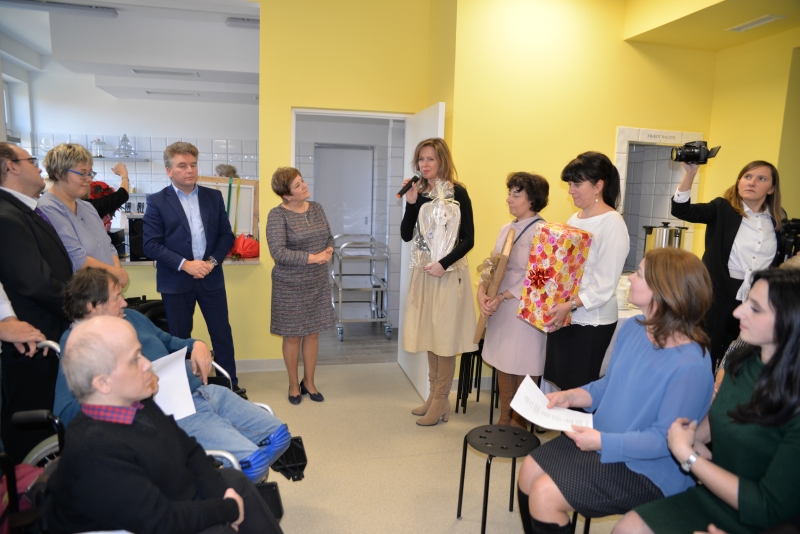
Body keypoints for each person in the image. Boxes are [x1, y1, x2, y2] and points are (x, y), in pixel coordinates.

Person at [517, 247, 715, 534]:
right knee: (528, 472)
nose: (631, 278)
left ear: (665, 291)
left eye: (639, 274)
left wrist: (602, 442)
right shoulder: (635, 327)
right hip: (604, 437)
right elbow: (609, 384)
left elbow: (664, 441)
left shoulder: (691, 364)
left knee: (544, 494)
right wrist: (571, 396)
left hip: (649, 467)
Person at [45, 315, 284, 534]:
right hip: (152, 522)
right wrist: (226, 510)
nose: (147, 363)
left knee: (237, 482)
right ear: (103, 383)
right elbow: (161, 521)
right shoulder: (96, 449)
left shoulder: (141, 404)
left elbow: (190, 450)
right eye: (134, 360)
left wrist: (222, 497)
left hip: (170, 499)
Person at [53, 268, 290, 481]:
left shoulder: (131, 318)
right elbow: (65, 411)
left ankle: (223, 480)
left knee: (279, 437)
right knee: (253, 464)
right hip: (173, 412)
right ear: (92, 307)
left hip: (200, 391)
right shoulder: (78, 344)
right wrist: (123, 392)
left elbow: (168, 341)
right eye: (117, 297)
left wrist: (196, 344)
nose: (124, 302)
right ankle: (219, 497)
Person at [617, 268, 800, 534]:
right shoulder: (742, 362)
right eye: (746, 301)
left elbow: (767, 506)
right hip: (719, 494)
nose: (738, 312)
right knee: (627, 528)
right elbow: (719, 419)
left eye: (755, 309)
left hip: (768, 521)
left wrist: (689, 456)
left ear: (790, 321)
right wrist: (688, 436)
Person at [143, 142, 241, 394]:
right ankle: (184, 390)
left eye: (193, 165)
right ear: (169, 171)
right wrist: (185, 265)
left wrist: (211, 263)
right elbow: (151, 245)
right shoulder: (157, 201)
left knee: (222, 334)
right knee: (179, 338)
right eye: (182, 166)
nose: (189, 170)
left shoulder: (213, 197)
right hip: (175, 281)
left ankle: (230, 385)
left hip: (211, 277)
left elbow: (226, 236)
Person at [672, 161, 783, 370]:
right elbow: (681, 210)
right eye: (747, 177)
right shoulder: (722, 208)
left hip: (755, 297)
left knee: (739, 358)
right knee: (706, 353)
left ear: (771, 189)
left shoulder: (777, 219)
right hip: (719, 293)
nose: (752, 182)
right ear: (739, 182)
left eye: (761, 179)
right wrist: (690, 174)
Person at [0, 142, 72, 463]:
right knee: (31, 422)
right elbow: (35, 282)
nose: (38, 166)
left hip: (46, 332)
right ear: (11, 166)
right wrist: (81, 308)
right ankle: (29, 485)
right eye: (30, 160)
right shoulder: (6, 217)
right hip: (31, 341)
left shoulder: (23, 210)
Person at [400, 137, 477, 426]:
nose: (425, 164)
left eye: (430, 158)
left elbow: (469, 239)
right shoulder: (418, 192)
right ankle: (434, 397)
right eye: (421, 159)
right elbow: (406, 235)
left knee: (444, 337)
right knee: (430, 334)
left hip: (447, 273)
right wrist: (411, 203)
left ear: (442, 161)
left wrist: (443, 265)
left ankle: (442, 398)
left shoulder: (459, 193)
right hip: (424, 273)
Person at [542, 151, 629, 392]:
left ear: (598, 185)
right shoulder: (575, 219)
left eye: (576, 184)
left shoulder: (612, 223)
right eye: (569, 184)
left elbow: (605, 284)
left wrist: (569, 305)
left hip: (592, 320)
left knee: (580, 390)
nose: (570, 190)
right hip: (566, 314)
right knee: (562, 384)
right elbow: (566, 269)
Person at [477, 172, 549, 427]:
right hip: (500, 303)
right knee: (503, 359)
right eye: (509, 193)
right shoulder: (505, 229)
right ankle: (504, 415)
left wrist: (503, 296)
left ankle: (520, 421)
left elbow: (539, 276)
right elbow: (493, 264)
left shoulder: (543, 231)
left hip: (524, 306)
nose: (509, 199)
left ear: (532, 199)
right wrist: (482, 290)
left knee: (525, 361)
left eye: (516, 194)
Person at [266, 167, 334, 404]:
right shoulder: (277, 215)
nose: (304, 185)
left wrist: (328, 249)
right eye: (297, 185)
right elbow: (278, 252)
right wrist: (313, 258)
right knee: (293, 336)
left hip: (317, 282)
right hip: (289, 286)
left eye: (302, 181)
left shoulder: (316, 208)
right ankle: (294, 385)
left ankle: (309, 382)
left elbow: (329, 237)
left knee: (313, 333)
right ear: (286, 194)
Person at [36, 143, 130, 287]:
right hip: (82, 294)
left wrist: (117, 274)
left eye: (90, 173)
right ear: (58, 173)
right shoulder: (48, 208)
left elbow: (108, 246)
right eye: (82, 173)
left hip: (105, 290)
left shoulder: (87, 207)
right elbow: (77, 259)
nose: (89, 179)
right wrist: (117, 274)